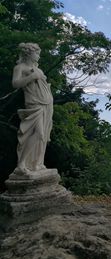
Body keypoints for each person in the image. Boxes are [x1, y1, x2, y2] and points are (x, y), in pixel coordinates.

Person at [12, 43, 53, 173]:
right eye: (37, 53)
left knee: (43, 136)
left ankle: (36, 164)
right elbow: (15, 84)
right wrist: (31, 77)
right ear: (29, 53)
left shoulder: (38, 69)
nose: (39, 56)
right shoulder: (20, 68)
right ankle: (21, 164)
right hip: (34, 104)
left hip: (46, 104)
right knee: (37, 133)